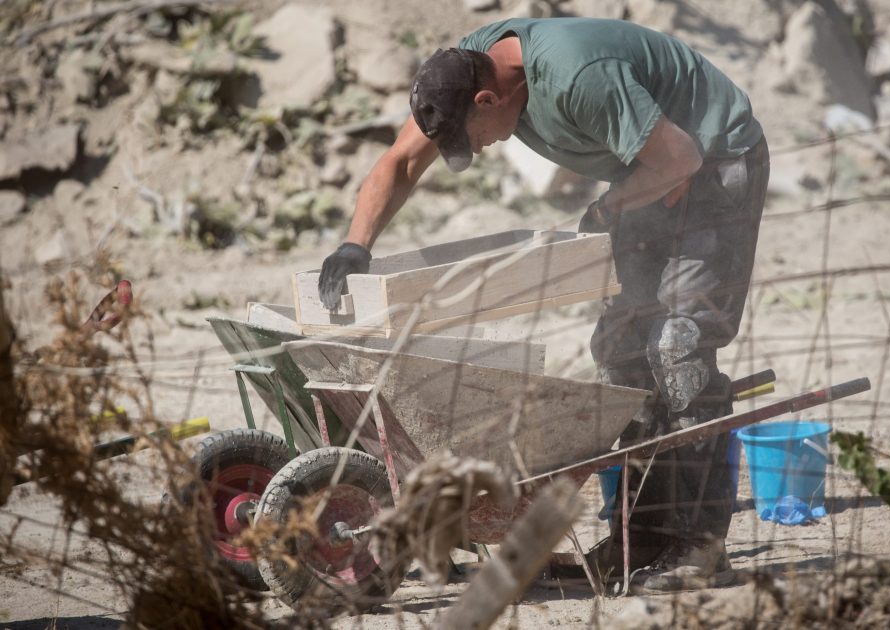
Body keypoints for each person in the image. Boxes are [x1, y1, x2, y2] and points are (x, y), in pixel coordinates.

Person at [317, 17, 770, 592]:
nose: (478, 148)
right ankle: (644, 538)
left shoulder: (579, 76)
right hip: (650, 167)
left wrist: (610, 211)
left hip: (715, 161)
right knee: (620, 352)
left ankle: (699, 547)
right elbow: (403, 162)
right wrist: (357, 244)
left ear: (489, 97)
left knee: (679, 347)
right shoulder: (465, 69)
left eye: (473, 135)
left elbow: (680, 161)